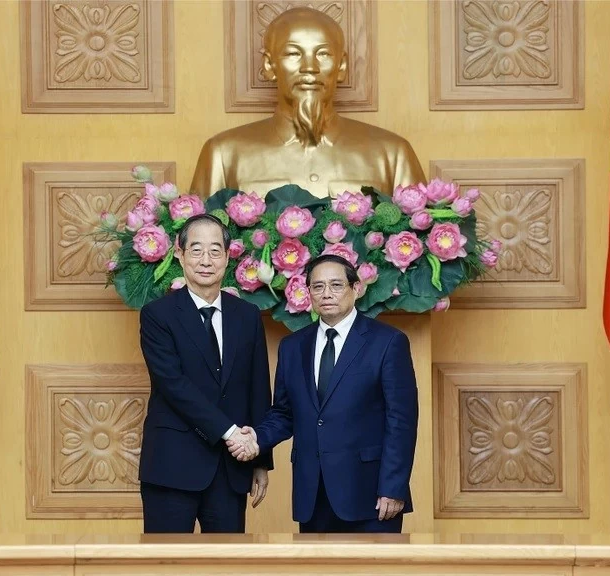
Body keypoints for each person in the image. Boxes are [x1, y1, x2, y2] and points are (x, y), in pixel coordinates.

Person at [228, 255, 418, 533]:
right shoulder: (293, 347)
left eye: (336, 285)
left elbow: (402, 421)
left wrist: (393, 487)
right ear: (308, 294)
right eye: (317, 287)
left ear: (357, 289)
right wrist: (256, 438)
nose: (326, 293)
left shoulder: (388, 342)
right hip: (312, 494)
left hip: (371, 495)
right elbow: (284, 413)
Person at [189, 7, 425, 199]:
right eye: (293, 54)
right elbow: (200, 246)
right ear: (269, 66)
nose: (309, 68)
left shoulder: (393, 154)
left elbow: (420, 248)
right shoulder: (223, 154)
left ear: (341, 66)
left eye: (323, 54)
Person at [138, 213, 273, 533]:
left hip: (231, 469)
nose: (206, 260)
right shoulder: (158, 315)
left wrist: (260, 459)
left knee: (228, 566)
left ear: (228, 257)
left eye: (215, 251)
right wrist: (231, 434)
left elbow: (257, 387)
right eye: (196, 250)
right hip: (171, 466)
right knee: (165, 566)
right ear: (180, 255)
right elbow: (174, 385)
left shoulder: (247, 315)